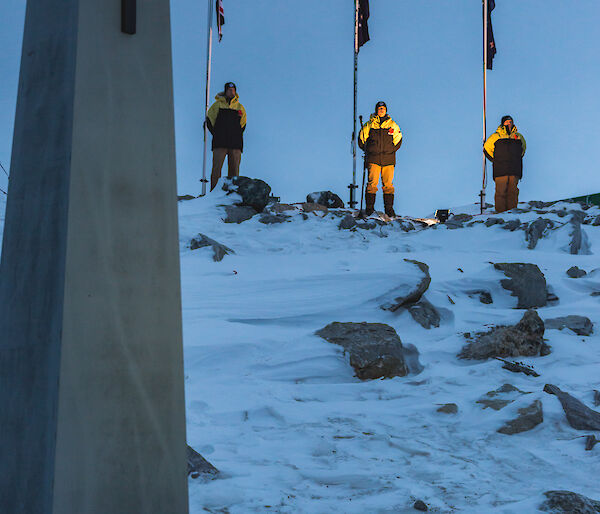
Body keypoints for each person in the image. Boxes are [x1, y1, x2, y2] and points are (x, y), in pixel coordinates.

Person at [358, 101, 403, 217]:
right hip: (373, 159)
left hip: (388, 160)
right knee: (372, 184)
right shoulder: (369, 124)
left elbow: (398, 139)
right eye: (379, 108)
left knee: (388, 185)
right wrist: (370, 151)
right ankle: (369, 209)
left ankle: (389, 210)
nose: (381, 110)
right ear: (376, 110)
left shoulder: (392, 125)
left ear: (386, 110)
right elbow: (361, 139)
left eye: (383, 108)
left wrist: (390, 150)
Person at [206, 82, 247, 191]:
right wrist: (218, 134)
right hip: (220, 142)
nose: (231, 92)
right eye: (229, 90)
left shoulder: (240, 107)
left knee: (234, 171)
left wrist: (236, 135)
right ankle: (214, 193)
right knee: (216, 169)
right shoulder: (217, 105)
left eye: (233, 90)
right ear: (225, 91)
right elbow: (209, 121)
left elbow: (243, 125)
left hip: (235, 144)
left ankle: (232, 194)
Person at [484, 115, 526, 213]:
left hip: (514, 169)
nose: (509, 123)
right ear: (503, 123)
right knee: (501, 192)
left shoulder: (519, 136)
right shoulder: (496, 136)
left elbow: (523, 149)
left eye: (510, 121)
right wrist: (496, 160)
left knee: (513, 192)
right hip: (500, 169)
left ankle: (511, 212)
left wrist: (516, 158)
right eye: (507, 121)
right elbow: (486, 148)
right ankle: (501, 213)